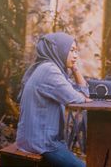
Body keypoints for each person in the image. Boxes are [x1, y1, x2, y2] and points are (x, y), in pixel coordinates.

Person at [16, 32, 92, 167]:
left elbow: (83, 94)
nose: (76, 55)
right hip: (41, 142)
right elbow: (75, 98)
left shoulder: (49, 67)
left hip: (33, 138)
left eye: (76, 51)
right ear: (59, 50)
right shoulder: (49, 70)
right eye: (72, 50)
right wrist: (83, 98)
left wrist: (75, 69)